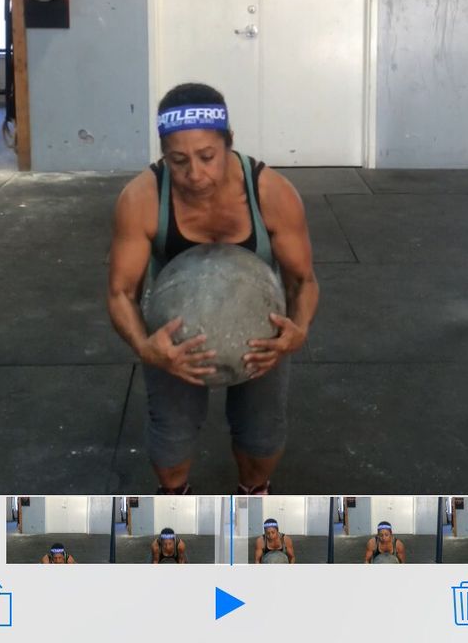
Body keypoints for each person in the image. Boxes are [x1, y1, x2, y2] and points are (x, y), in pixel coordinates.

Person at [108, 83, 318, 495]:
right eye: (178, 160)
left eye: (207, 157)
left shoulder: (272, 193)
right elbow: (120, 292)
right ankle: (175, 503)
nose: (194, 174)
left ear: (229, 142)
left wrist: (298, 331)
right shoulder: (141, 198)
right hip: (175, 336)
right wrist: (145, 347)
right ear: (163, 153)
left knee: (261, 438)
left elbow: (303, 281)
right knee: (170, 443)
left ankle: (253, 495)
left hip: (261, 332)